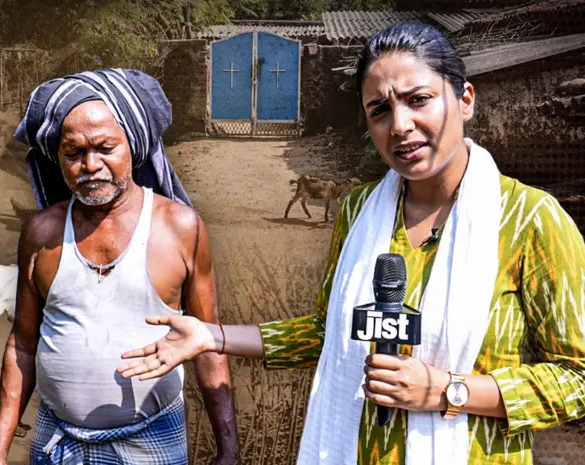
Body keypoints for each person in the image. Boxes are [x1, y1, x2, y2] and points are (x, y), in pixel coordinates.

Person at [117, 23, 585, 464]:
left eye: (419, 99)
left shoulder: (529, 219)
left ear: (464, 99)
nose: (399, 124)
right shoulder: (360, 210)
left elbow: (577, 379)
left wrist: (448, 390)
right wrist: (212, 337)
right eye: (379, 110)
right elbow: (331, 333)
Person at [0, 68, 238, 465]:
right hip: (58, 444)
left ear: (133, 147)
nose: (90, 164)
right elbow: (23, 343)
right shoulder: (42, 232)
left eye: (105, 147)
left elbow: (208, 344)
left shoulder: (180, 227)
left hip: (151, 443)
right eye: (74, 153)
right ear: (59, 157)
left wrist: (228, 451)